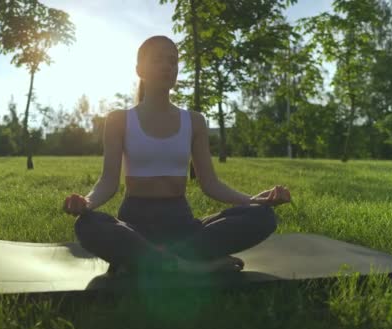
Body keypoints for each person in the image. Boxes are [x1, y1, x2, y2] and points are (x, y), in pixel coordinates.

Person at [63, 35, 291, 275]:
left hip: (182, 226)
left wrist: (255, 200)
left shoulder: (194, 121)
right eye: (158, 60)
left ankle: (150, 260)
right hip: (135, 225)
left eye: (173, 61)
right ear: (139, 69)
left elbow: (211, 184)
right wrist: (86, 203)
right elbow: (108, 183)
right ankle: (188, 265)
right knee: (88, 225)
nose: (167, 66)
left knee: (262, 217)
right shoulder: (119, 120)